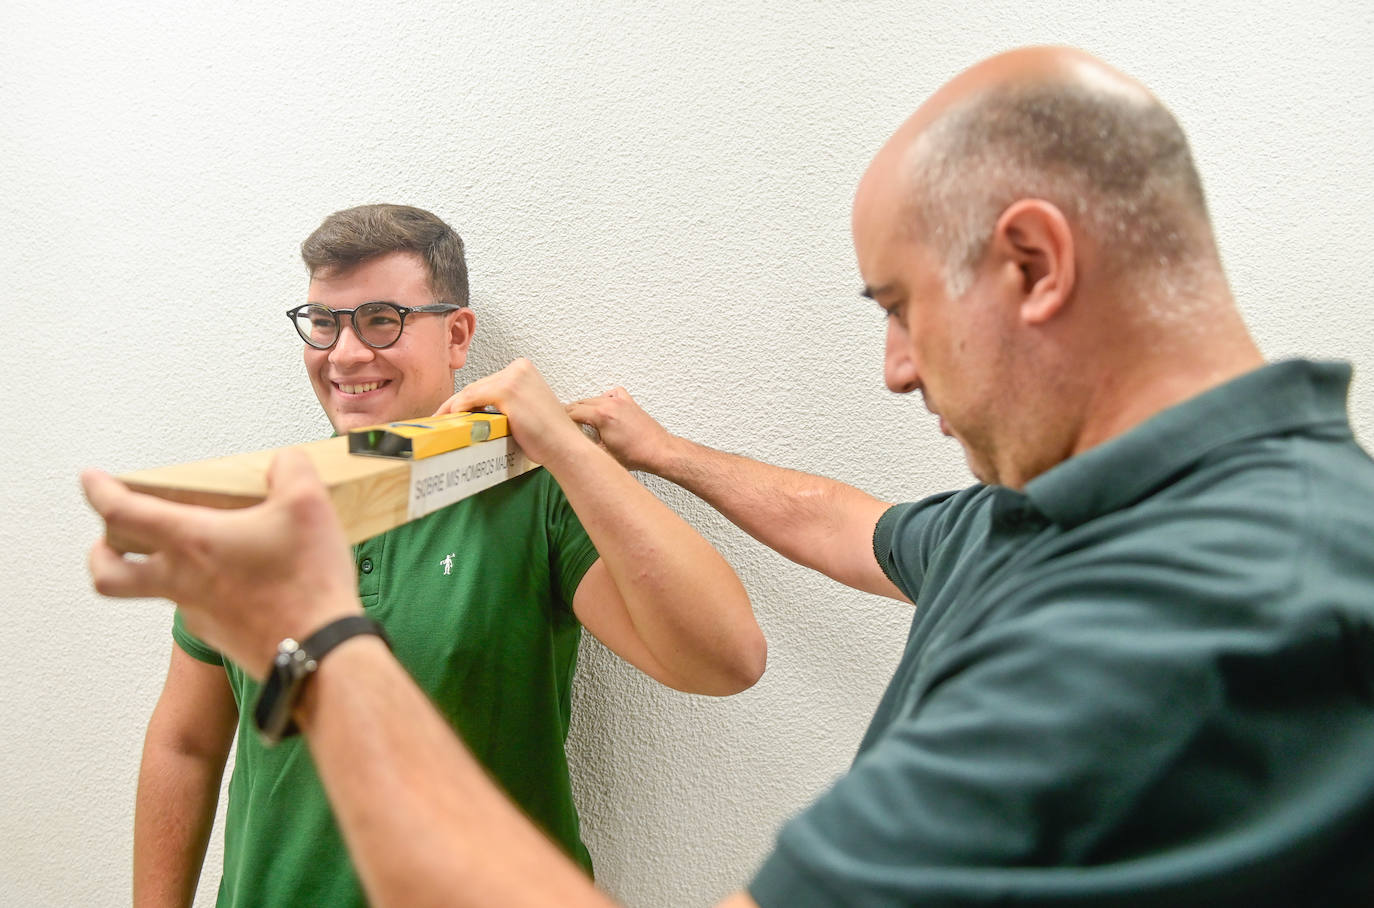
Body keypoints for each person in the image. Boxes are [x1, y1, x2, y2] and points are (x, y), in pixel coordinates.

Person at [86, 47, 1374, 907]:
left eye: (900, 304)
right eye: (325, 324)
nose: (893, 370)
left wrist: (314, 640)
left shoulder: (1190, 609)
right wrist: (665, 448)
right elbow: (851, 521)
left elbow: (721, 649)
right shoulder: (1040, 524)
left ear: (1035, 264)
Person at [128, 204, 765, 908]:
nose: (344, 354)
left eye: (381, 320)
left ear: (457, 335)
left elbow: (725, 660)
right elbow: (184, 744)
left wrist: (564, 445)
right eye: (324, 322)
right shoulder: (252, 508)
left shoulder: (535, 494)